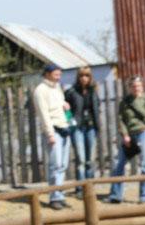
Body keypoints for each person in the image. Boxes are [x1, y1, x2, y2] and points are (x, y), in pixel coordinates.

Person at [106, 76, 145, 203]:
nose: (136, 88)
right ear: (129, 88)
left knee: (144, 165)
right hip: (129, 136)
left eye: (138, 86)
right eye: (134, 86)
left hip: (143, 133)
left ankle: (144, 196)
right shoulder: (125, 102)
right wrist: (125, 135)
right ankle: (116, 195)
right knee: (120, 164)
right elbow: (121, 120)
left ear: (142, 86)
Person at [33, 63, 71, 210]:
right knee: (55, 165)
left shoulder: (57, 88)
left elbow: (58, 104)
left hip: (63, 127)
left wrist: (64, 104)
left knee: (63, 165)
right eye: (56, 74)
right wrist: (50, 134)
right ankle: (54, 197)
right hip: (53, 130)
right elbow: (44, 114)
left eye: (60, 74)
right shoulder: (40, 90)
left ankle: (60, 195)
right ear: (47, 74)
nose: (59, 77)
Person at [65, 66, 101, 196]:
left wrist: (97, 126)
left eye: (87, 75)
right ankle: (80, 189)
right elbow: (66, 110)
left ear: (90, 77)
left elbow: (96, 109)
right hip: (77, 128)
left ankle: (89, 187)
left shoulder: (93, 91)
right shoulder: (71, 92)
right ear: (78, 77)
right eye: (81, 76)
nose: (84, 78)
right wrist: (70, 121)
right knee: (80, 159)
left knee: (90, 160)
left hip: (91, 127)